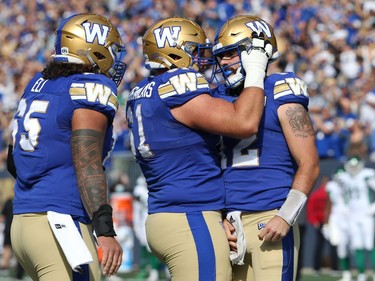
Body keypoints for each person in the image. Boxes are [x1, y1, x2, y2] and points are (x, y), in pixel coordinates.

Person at [126, 17, 272, 281]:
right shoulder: (178, 85)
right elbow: (245, 122)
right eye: (195, 51)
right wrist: (255, 72)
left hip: (168, 212)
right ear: (174, 51)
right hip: (189, 215)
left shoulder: (143, 90)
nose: (202, 59)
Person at [6, 13, 126, 281]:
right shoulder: (90, 86)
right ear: (94, 49)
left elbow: (14, 159)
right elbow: (87, 162)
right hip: (61, 223)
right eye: (111, 49)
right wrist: (104, 229)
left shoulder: (39, 83)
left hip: (24, 222)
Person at [211, 15, 320, 281]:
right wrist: (218, 219)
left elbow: (310, 163)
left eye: (230, 54)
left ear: (256, 52)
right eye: (220, 56)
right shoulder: (217, 97)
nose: (223, 62)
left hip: (269, 216)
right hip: (228, 226)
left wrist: (285, 215)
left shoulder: (281, 90)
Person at [337, 156, 375, 281]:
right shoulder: (345, 177)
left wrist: (373, 207)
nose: (353, 168)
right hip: (352, 216)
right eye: (351, 166)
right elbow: (341, 196)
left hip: (366, 215)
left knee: (369, 244)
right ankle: (361, 274)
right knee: (357, 245)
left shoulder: (367, 175)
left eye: (355, 165)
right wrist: (345, 210)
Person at [324, 167, 352, 281]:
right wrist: (326, 222)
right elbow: (329, 203)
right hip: (336, 218)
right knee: (339, 245)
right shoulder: (331, 186)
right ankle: (346, 274)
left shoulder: (350, 183)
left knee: (354, 245)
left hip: (350, 217)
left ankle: (362, 273)